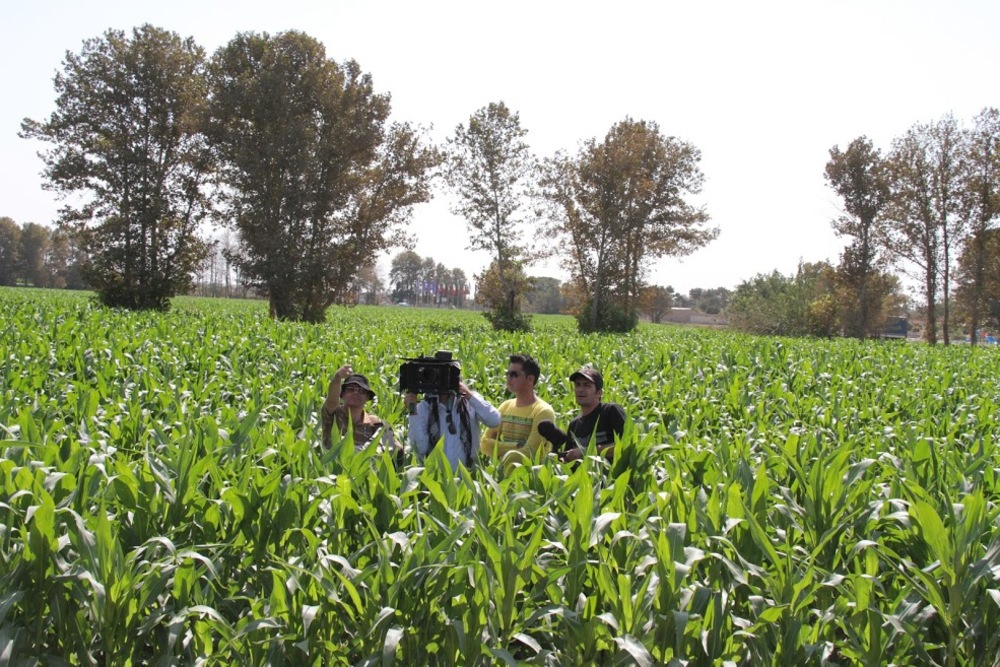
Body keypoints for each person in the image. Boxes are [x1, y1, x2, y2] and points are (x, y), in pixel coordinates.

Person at [403, 364, 501, 471]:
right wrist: (413, 411)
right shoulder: (424, 408)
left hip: (467, 477)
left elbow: (494, 420)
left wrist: (468, 394)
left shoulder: (470, 403)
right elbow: (420, 448)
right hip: (434, 478)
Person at [480, 353, 556, 467]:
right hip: (502, 480)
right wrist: (516, 446)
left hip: (530, 481)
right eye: (508, 374)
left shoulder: (543, 412)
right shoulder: (505, 406)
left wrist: (498, 451)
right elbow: (484, 444)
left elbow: (529, 453)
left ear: (530, 379)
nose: (508, 378)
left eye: (514, 374)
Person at [537, 368, 626, 462]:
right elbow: (569, 459)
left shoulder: (610, 411)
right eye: (577, 385)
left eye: (587, 385)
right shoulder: (574, 425)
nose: (580, 390)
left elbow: (626, 445)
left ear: (599, 393)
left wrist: (585, 451)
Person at [321, 364, 399, 454]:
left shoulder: (374, 422)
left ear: (367, 397)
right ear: (342, 394)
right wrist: (338, 377)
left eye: (361, 391)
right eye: (350, 389)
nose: (355, 393)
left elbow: (396, 448)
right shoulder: (333, 414)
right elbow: (332, 400)